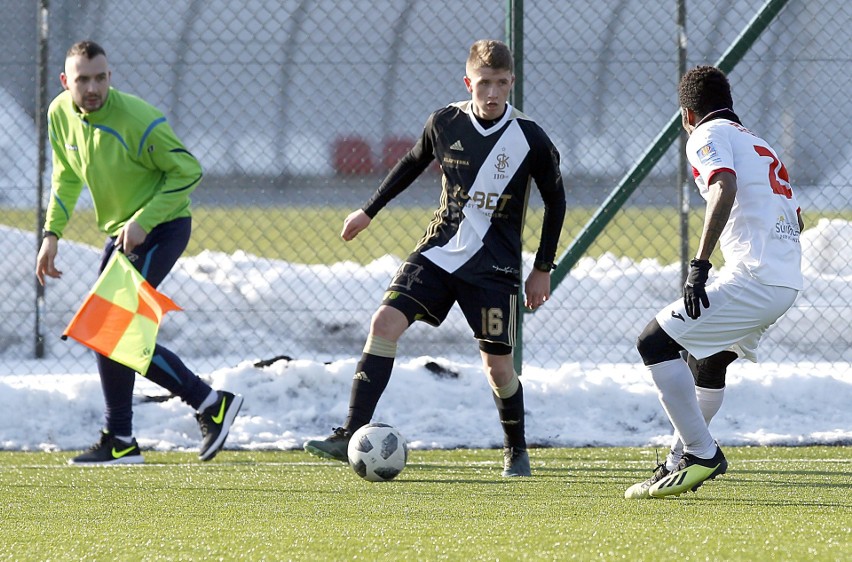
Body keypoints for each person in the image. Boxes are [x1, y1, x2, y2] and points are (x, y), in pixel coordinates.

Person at [303, 39, 566, 477]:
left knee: (498, 368)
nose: (493, 93)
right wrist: (368, 211)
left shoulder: (529, 137)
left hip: (494, 267)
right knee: (384, 323)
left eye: (502, 83)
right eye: (484, 83)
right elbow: (410, 162)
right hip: (438, 253)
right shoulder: (445, 122)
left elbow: (556, 202)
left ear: (512, 82)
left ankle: (516, 449)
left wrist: (542, 268)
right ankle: (350, 431)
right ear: (469, 83)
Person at [36, 40, 243, 465]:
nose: (92, 88)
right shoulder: (60, 113)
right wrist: (52, 233)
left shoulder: (137, 119)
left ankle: (207, 403)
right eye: (82, 80)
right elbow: (65, 176)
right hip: (122, 234)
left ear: (110, 76)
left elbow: (188, 170)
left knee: (109, 331)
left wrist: (145, 219)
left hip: (162, 228)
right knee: (108, 334)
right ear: (65, 81)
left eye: (100, 78)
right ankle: (124, 438)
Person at [625, 66, 804, 498]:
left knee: (654, 342)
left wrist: (700, 264)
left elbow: (723, 184)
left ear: (687, 114)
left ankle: (702, 453)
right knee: (711, 362)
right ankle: (677, 461)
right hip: (784, 280)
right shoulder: (759, 143)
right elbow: (797, 216)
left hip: (755, 279)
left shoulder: (704, 137)